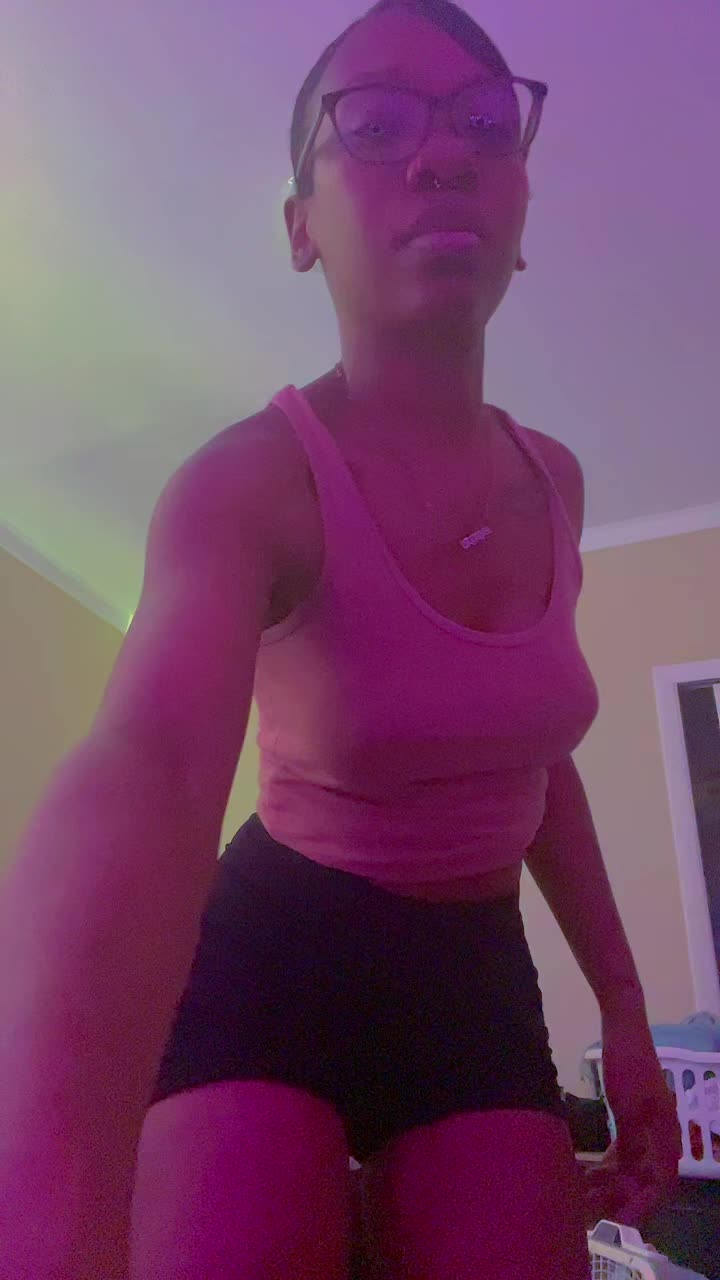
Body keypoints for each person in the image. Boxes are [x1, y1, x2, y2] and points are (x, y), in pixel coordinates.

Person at [0, 1, 682, 1277]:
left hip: (473, 974)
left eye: (483, 119)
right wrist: (42, 1203)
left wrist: (630, 1015)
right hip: (276, 946)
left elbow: (530, 756)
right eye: (372, 123)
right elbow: (149, 771)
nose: (442, 151)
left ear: (520, 205)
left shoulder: (560, 484)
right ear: (301, 226)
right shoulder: (246, 487)